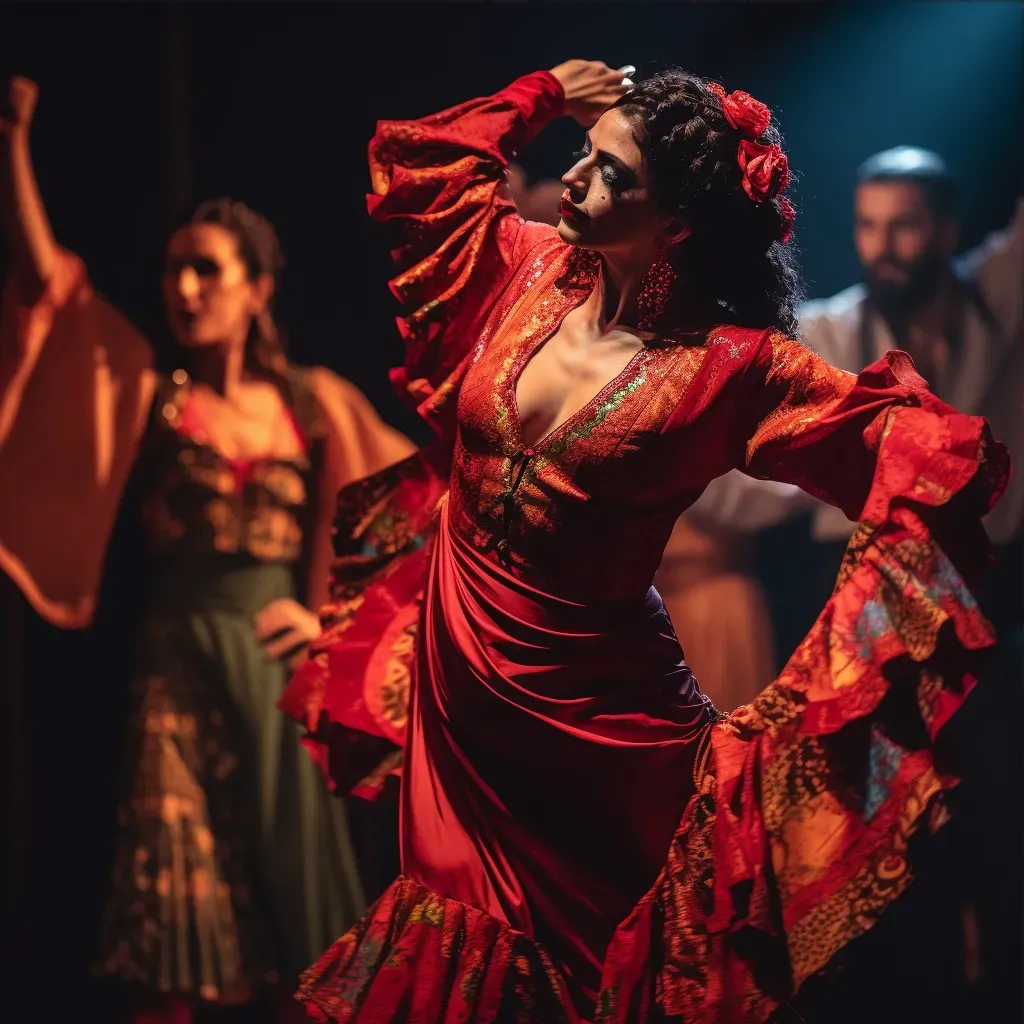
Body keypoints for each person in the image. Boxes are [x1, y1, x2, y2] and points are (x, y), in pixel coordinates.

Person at [280, 61, 1009, 1023]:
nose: (577, 177)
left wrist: (850, 642)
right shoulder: (525, 263)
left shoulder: (729, 367)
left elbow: (917, 451)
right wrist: (540, 94)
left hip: (601, 736)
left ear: (676, 225)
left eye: (613, 173)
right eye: (585, 156)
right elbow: (423, 164)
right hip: (467, 710)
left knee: (598, 982)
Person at [0, 76, 414, 1022]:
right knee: (177, 919)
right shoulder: (158, 398)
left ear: (257, 288)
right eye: (174, 271)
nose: (183, 289)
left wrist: (332, 622)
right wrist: (13, 146)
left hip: (277, 669)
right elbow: (55, 295)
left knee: (292, 916)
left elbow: (408, 505)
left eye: (207, 271)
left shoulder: (311, 403)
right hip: (178, 665)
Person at [506, 161, 800, 710]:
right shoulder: (543, 342)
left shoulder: (708, 352)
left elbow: (779, 487)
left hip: (700, 605)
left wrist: (681, 456)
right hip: (577, 626)